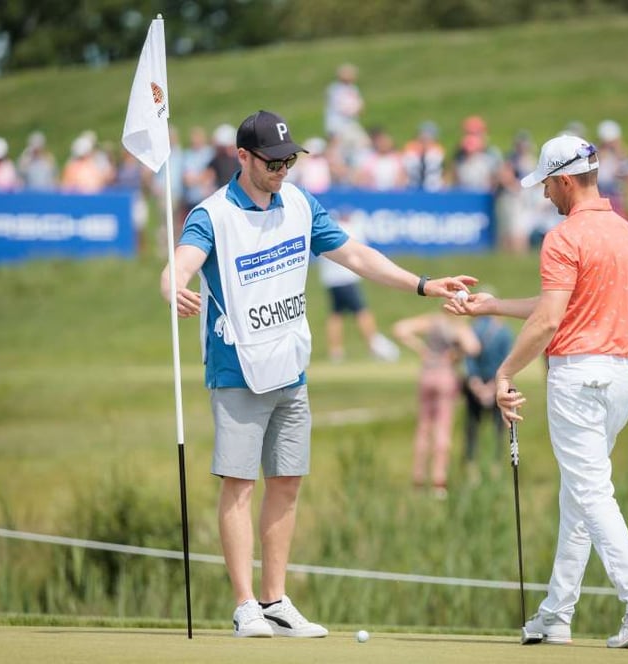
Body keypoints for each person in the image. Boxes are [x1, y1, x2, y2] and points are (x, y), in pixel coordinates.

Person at [160, 109, 477, 639]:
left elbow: (355, 254)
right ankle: (245, 606)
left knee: (286, 482)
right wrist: (173, 285)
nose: (283, 168)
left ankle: (276, 600)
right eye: (273, 161)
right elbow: (182, 261)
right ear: (243, 158)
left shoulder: (301, 204)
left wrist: (423, 285)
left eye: (290, 159)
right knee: (238, 484)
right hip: (236, 368)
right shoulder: (212, 214)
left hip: (291, 368)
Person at [447, 134, 628, 649]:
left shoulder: (563, 237)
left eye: (547, 184)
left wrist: (503, 373)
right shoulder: (623, 232)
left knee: (591, 493)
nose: (544, 194)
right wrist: (493, 306)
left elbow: (550, 322)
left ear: (565, 180)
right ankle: (555, 614)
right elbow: (561, 304)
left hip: (577, 378)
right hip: (620, 379)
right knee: (579, 498)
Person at [392, 310, 480, 498]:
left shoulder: (433, 321)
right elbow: (473, 347)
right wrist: (456, 353)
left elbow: (400, 329)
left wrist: (421, 348)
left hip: (426, 374)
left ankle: (418, 479)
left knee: (423, 429)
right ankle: (438, 481)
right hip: (445, 374)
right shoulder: (457, 327)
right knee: (442, 429)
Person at [314, 207, 400, 363]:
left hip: (330, 280)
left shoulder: (326, 231)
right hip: (346, 279)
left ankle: (336, 352)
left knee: (336, 314)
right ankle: (374, 346)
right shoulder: (348, 231)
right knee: (362, 312)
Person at [461, 310, 513, 483]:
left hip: (475, 387)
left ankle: (471, 468)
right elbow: (507, 361)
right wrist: (493, 386)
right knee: (499, 428)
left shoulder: (473, 330)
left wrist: (476, 385)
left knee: (472, 427)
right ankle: (496, 466)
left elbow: (468, 361)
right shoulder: (504, 332)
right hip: (497, 385)